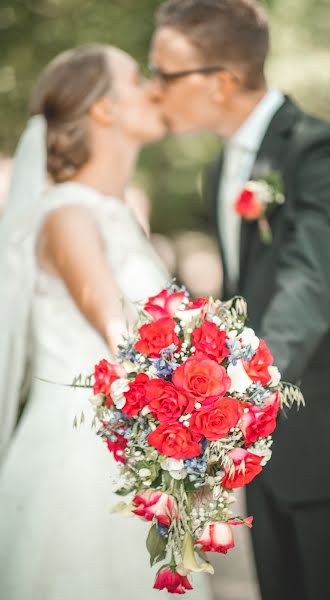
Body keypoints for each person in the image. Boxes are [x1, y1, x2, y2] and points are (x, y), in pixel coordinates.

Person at [149, 1, 330, 599]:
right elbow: (246, 296)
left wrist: (233, 390)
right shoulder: (219, 171)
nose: (153, 89)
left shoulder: (318, 152)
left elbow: (308, 288)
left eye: (164, 74)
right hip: (266, 459)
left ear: (220, 82)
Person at [0, 45, 210, 600]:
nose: (154, 89)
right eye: (138, 79)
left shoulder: (114, 210)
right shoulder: (69, 212)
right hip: (84, 459)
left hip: (130, 443)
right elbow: (127, 344)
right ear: (103, 110)